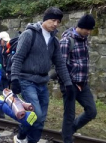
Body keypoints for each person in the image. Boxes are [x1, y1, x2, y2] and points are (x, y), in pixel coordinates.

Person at [11, 7, 73, 143]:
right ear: (45, 20)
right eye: (53, 20)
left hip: (42, 82)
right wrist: (14, 78)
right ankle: (21, 136)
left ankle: (29, 140)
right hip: (27, 80)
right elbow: (18, 58)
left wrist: (68, 83)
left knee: (41, 119)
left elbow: (60, 64)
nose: (56, 24)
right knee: (37, 114)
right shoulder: (29, 34)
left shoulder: (54, 41)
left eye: (58, 22)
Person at [59, 14, 97, 143]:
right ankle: (67, 139)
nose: (89, 32)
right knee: (69, 115)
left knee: (91, 111)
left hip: (83, 84)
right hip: (69, 84)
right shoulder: (66, 41)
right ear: (81, 27)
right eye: (88, 29)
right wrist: (68, 84)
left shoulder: (84, 39)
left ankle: (69, 130)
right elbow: (61, 65)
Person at [0, 31, 11, 118]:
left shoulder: (6, 49)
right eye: (4, 41)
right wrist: (5, 74)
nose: (5, 43)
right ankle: (0, 114)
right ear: (0, 40)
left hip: (4, 77)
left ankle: (1, 113)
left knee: (4, 95)